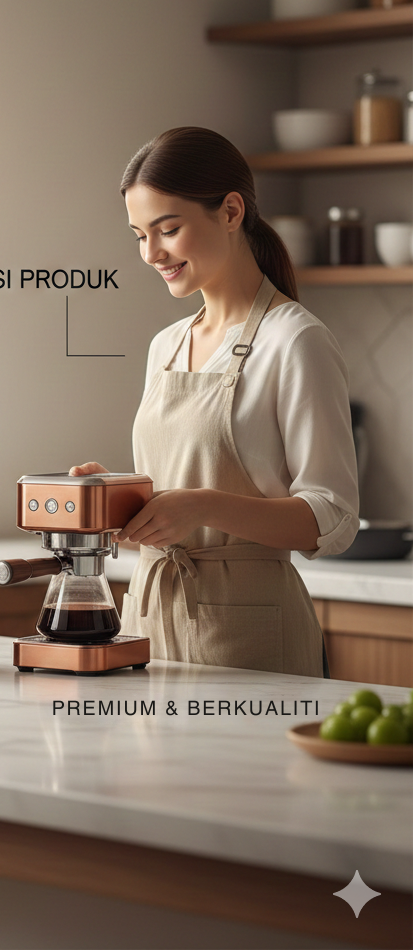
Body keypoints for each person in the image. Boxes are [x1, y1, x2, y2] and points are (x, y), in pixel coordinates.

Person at [70, 127, 358, 677]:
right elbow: (176, 501)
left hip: (250, 636)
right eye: (138, 235)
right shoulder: (167, 345)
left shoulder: (295, 340)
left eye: (168, 229)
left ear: (230, 212)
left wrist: (203, 507)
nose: (151, 253)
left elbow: (334, 518)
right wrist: (116, 502)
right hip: (149, 620)